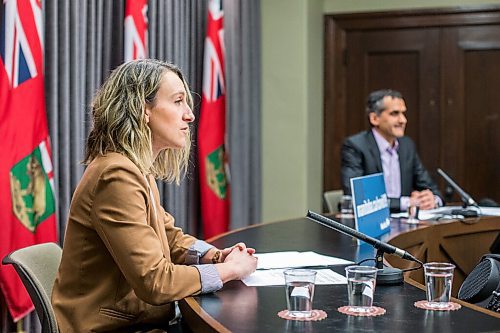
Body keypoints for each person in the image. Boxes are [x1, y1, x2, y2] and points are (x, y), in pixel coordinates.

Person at [51, 59, 258, 332]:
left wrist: (217, 255)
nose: (189, 115)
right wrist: (229, 271)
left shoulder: (134, 167)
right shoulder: (116, 175)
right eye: (177, 101)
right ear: (143, 110)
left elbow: (170, 239)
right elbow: (155, 281)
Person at [341, 89, 443, 213]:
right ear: (374, 118)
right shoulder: (355, 146)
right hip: (371, 225)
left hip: (405, 225)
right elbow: (355, 198)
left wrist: (432, 200)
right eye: (395, 114)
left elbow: (430, 188)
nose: (403, 120)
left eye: (403, 113)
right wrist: (407, 203)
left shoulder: (407, 146)